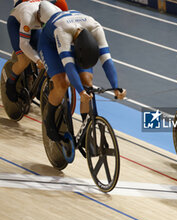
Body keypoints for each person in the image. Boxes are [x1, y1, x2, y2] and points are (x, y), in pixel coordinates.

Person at [37, 1, 126, 142]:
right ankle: (49, 121)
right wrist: (80, 92)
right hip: (50, 45)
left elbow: (107, 60)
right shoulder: (62, 32)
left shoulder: (96, 28)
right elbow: (69, 67)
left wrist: (116, 87)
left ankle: (86, 129)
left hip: (77, 40)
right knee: (62, 83)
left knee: (87, 82)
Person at [6, 0, 68, 102]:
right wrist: (37, 60)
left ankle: (40, 88)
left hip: (36, 26)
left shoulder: (56, 12)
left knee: (47, 54)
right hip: (16, 23)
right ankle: (11, 82)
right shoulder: (28, 16)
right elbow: (24, 44)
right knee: (24, 60)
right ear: (39, 16)